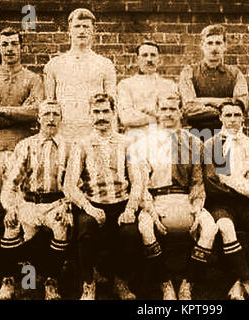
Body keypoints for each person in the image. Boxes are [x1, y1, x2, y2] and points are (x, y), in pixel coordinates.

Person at [134, 95, 218, 300]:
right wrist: (151, 211)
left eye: (173, 109)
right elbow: (142, 183)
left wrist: (197, 209)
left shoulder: (194, 142)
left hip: (185, 199)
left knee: (209, 227)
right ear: (158, 112)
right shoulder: (144, 143)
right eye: (164, 109)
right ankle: (165, 284)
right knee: (145, 227)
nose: (169, 113)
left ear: (180, 112)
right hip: (156, 199)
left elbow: (197, 182)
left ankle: (188, 282)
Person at [0, 27, 43, 281]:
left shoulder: (33, 79)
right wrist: (16, 113)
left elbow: (36, 113)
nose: (9, 49)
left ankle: (23, 262)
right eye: (4, 44)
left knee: (22, 206)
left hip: (22, 150)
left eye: (14, 44)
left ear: (21, 47)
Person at [63, 93, 143, 300]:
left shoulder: (127, 143)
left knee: (131, 234)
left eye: (105, 111)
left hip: (121, 204)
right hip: (93, 204)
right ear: (90, 114)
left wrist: (130, 209)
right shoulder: (81, 145)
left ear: (113, 113)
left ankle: (121, 281)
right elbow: (69, 185)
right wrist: (88, 208)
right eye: (96, 112)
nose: (101, 116)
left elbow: (137, 181)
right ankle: (88, 283)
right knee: (86, 229)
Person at [0, 100, 71, 300]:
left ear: (61, 119)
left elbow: (76, 182)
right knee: (11, 225)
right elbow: (12, 182)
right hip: (29, 202)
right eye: (46, 114)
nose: (51, 119)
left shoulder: (70, 147)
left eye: (55, 114)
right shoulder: (27, 145)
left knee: (61, 226)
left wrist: (67, 205)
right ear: (38, 119)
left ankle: (51, 283)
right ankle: (7, 282)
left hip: (56, 203)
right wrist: (10, 208)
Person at [203, 100, 249, 300]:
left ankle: (239, 284)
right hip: (222, 202)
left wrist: (228, 178)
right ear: (220, 118)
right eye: (228, 115)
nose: (233, 120)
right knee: (225, 227)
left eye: (237, 115)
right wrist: (240, 180)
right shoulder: (212, 145)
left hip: (248, 202)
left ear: (243, 118)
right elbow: (211, 182)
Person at [44, 8, 117, 145]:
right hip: (64, 135)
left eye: (86, 26)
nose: (82, 31)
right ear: (69, 30)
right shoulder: (54, 65)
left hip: (95, 134)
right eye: (77, 26)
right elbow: (49, 107)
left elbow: (113, 107)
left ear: (93, 30)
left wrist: (110, 139)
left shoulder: (105, 64)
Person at [179, 24, 248, 136]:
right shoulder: (189, 72)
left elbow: (241, 104)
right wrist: (222, 103)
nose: (214, 48)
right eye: (210, 43)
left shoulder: (235, 73)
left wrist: (202, 101)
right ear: (202, 45)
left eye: (218, 43)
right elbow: (188, 108)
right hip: (198, 133)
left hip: (229, 133)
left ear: (225, 46)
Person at [117, 40, 178, 134]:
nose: (149, 59)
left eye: (153, 55)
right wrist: (158, 116)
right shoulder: (125, 85)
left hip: (164, 137)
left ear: (159, 60)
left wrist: (143, 112)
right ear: (137, 60)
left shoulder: (169, 85)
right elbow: (126, 118)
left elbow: (174, 117)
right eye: (144, 55)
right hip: (136, 137)